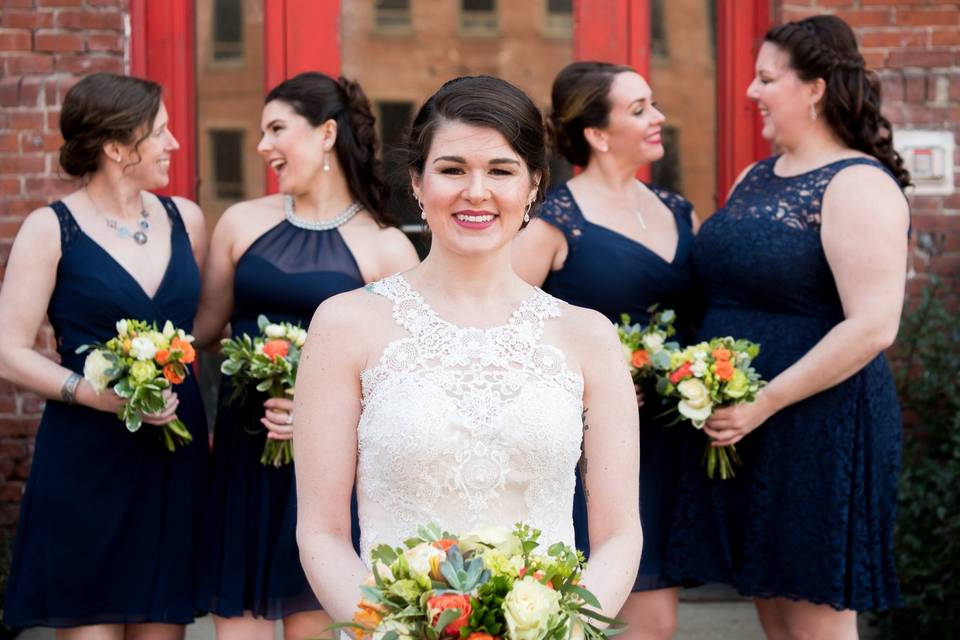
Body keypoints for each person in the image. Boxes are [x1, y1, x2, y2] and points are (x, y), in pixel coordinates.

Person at [292, 75, 643, 623]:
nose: (476, 191)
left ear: (533, 187)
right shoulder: (345, 325)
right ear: (417, 182)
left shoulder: (589, 336)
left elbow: (620, 533)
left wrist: (564, 629)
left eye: (501, 171)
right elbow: (321, 532)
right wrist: (394, 632)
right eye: (452, 169)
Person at [665, 15, 910, 639]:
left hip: (816, 425)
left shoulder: (857, 184)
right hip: (747, 427)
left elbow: (874, 327)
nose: (751, 92)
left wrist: (764, 402)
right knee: (777, 621)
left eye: (766, 78)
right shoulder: (755, 177)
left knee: (817, 626)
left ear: (815, 89)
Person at [192, 72, 419, 640]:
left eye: (275, 129)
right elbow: (203, 331)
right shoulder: (241, 223)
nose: (263, 146)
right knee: (235, 624)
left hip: (328, 473)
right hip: (244, 457)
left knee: (313, 624)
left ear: (325, 134)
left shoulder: (386, 247)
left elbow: (410, 382)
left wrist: (322, 415)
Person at [0, 72, 208, 639]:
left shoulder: (185, 219)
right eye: (160, 133)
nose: (174, 145)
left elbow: (201, 328)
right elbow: (8, 351)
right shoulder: (50, 230)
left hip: (171, 457)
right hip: (86, 459)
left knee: (163, 625)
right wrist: (93, 394)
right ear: (118, 148)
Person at [512, 61, 699, 640]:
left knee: (656, 623)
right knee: (581, 616)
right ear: (596, 133)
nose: (657, 117)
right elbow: (502, 328)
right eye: (639, 108)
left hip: (667, 441)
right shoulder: (554, 222)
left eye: (653, 103)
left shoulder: (678, 209)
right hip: (586, 449)